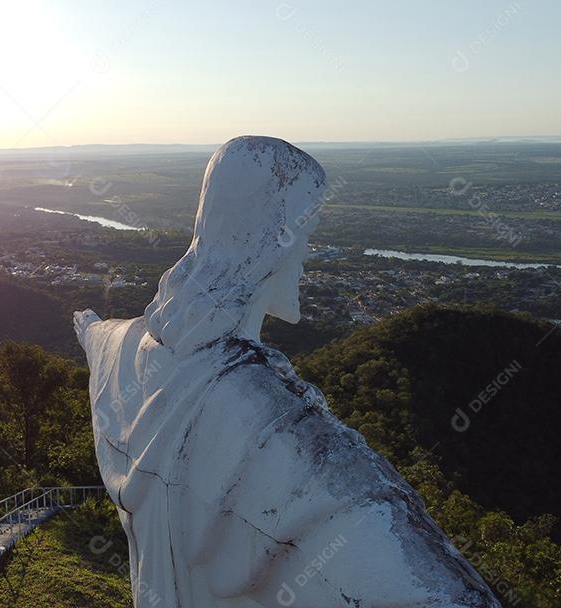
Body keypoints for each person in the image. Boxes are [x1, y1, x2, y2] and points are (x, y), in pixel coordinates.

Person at [75, 136, 500, 607]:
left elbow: (106, 341)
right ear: (273, 240)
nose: (306, 256)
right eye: (308, 234)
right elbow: (400, 572)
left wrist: (90, 328)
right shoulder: (275, 428)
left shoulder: (135, 352)